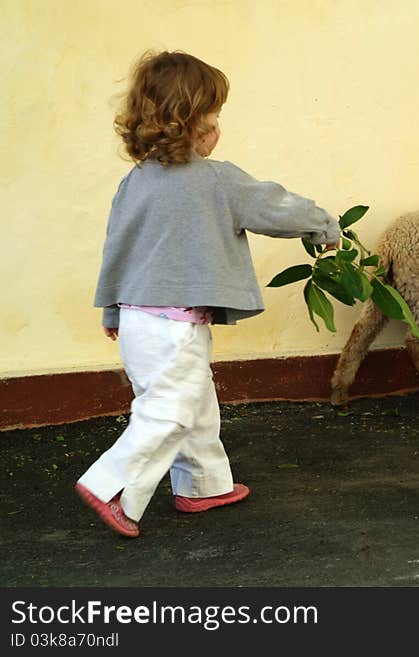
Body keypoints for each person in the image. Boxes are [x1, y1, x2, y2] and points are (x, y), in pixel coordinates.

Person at [76, 51, 340, 538]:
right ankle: (112, 483)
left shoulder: (133, 183)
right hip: (175, 327)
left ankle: (203, 484)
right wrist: (325, 225)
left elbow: (118, 247)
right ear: (192, 126)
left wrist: (111, 307)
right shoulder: (219, 179)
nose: (219, 131)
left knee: (192, 403)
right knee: (172, 409)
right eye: (215, 120)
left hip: (137, 320)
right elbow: (276, 207)